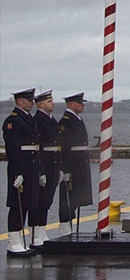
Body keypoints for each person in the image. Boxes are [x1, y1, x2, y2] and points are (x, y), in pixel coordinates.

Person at [3, 88, 42, 257]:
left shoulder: (29, 120)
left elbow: (35, 147)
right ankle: (14, 242)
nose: (32, 103)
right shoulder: (13, 121)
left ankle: (20, 240)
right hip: (20, 167)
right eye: (29, 100)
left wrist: (39, 171)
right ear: (20, 101)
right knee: (17, 204)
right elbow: (13, 149)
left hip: (31, 167)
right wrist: (17, 172)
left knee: (27, 203)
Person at [31, 89, 62, 248]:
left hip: (54, 165)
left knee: (47, 200)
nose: (53, 103)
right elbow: (39, 149)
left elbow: (57, 146)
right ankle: (35, 231)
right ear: (40, 104)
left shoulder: (52, 121)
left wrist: (60, 168)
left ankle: (42, 230)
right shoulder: (37, 121)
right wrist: (41, 171)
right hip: (44, 165)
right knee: (40, 201)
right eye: (50, 101)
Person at [58, 92, 93, 235]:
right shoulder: (66, 121)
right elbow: (65, 147)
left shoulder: (77, 119)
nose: (82, 106)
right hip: (72, 165)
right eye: (80, 103)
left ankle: (70, 225)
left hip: (80, 164)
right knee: (68, 197)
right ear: (71, 104)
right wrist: (65, 169)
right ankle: (65, 226)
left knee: (77, 196)